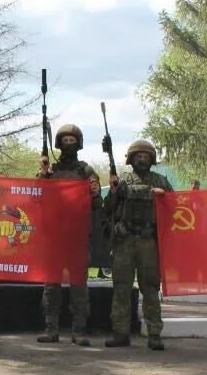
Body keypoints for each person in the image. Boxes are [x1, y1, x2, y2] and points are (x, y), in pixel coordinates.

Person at [103, 140, 173, 349]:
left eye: (145, 155)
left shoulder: (161, 181)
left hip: (148, 241)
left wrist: (164, 197)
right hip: (125, 241)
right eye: (138, 156)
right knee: (121, 288)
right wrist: (114, 192)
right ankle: (120, 332)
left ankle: (154, 334)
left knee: (150, 288)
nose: (142, 159)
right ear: (131, 159)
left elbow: (174, 207)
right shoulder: (123, 182)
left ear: (151, 159)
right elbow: (108, 208)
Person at [36, 124, 101, 347]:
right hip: (54, 237)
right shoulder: (50, 171)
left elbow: (97, 204)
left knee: (78, 286)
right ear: (58, 143)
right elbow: (36, 198)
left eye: (73, 141)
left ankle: (79, 331)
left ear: (79, 144)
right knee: (51, 285)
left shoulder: (86, 171)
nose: (69, 144)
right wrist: (43, 174)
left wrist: (93, 192)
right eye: (65, 140)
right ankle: (51, 329)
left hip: (77, 237)